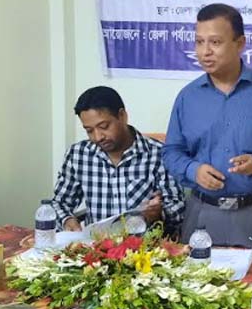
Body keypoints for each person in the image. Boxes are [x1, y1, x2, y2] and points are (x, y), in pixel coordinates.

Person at [162, 3, 252, 248]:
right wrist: (193, 170)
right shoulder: (188, 97)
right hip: (202, 213)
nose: (205, 51)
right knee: (196, 274)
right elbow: (171, 152)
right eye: (199, 42)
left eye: (215, 42)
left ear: (240, 43)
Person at [51, 86, 185, 232]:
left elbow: (178, 208)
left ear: (122, 116)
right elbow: (60, 203)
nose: (98, 137)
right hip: (95, 243)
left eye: (104, 126)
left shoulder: (159, 154)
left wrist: (159, 213)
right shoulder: (78, 155)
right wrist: (67, 220)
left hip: (144, 244)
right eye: (89, 130)